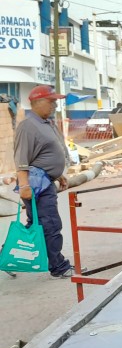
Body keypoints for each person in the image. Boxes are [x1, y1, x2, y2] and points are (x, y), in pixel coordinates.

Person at [14, 85, 73, 278]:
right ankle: (59, 267)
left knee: (37, 224)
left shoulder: (45, 122)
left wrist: (58, 174)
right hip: (35, 184)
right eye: (51, 101)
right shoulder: (28, 125)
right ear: (37, 102)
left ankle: (6, 256)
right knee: (50, 224)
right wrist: (24, 185)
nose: (55, 104)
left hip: (46, 181)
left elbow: (45, 153)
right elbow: (21, 158)